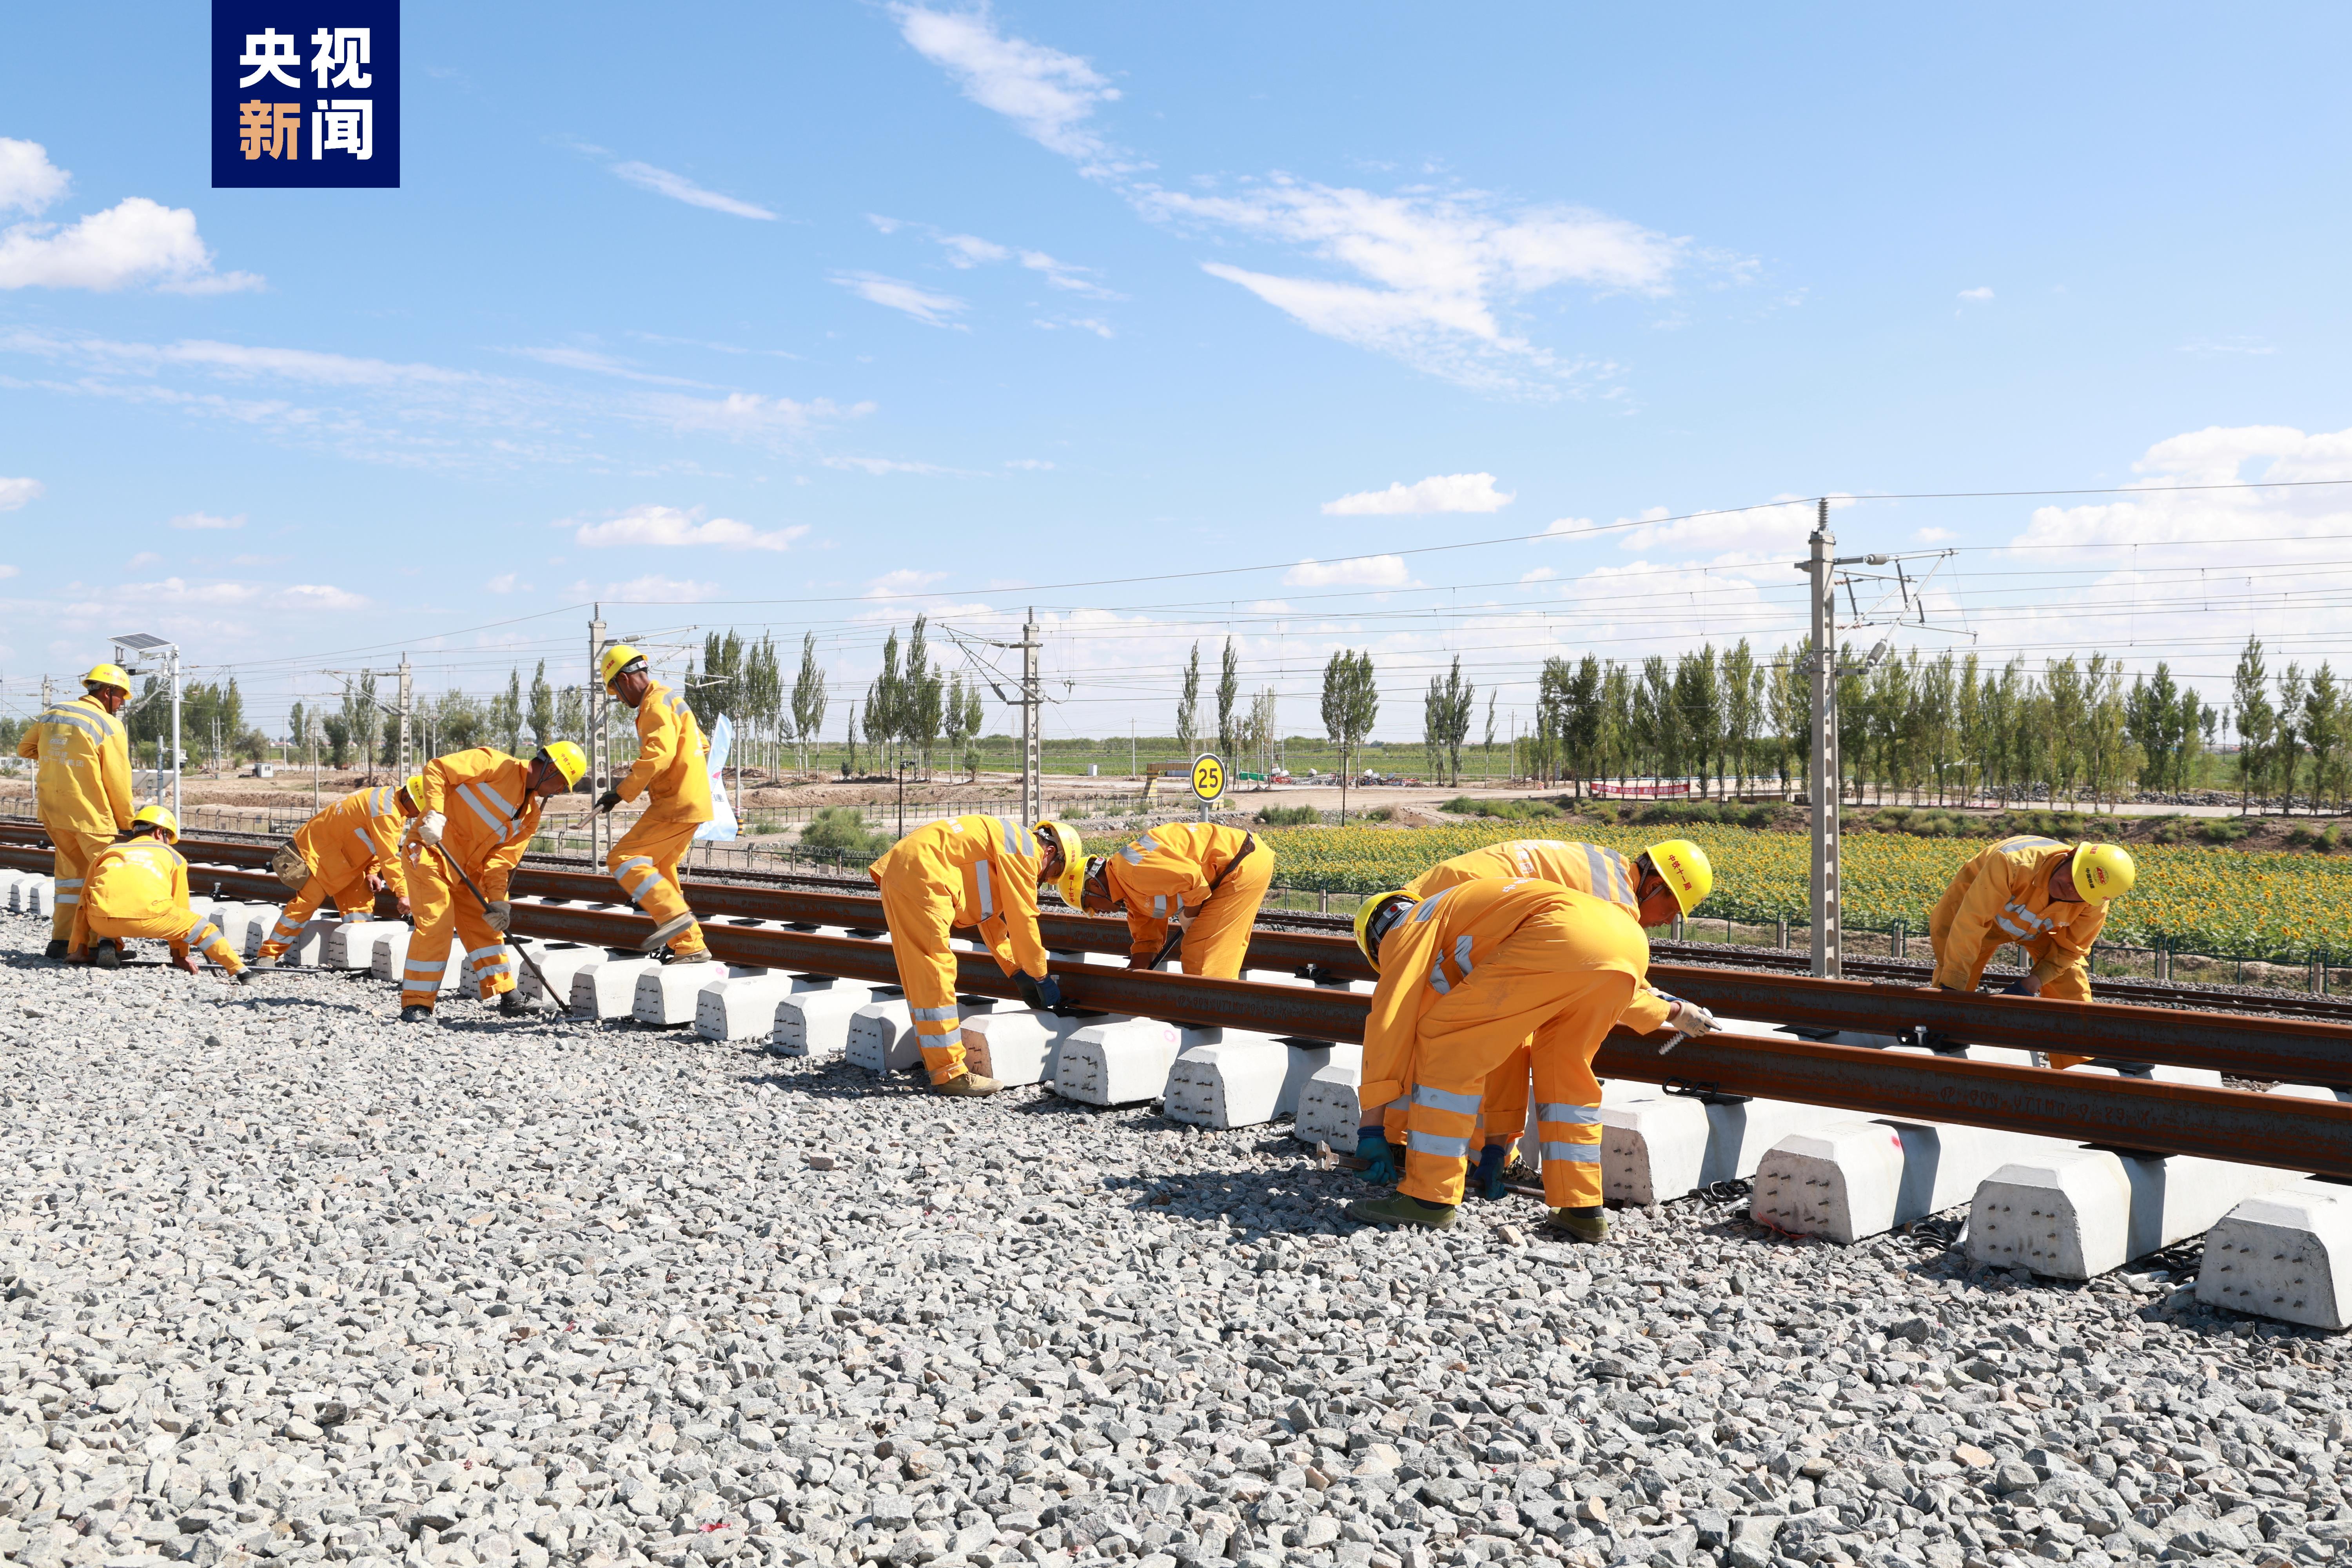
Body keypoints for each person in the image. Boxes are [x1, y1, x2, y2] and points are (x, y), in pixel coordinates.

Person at [1380, 838, 1720, 1198]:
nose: (1668, 921)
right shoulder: (1613, 902)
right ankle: (1423, 1167)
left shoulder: (1610, 874)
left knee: (1475, 1037)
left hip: (1451, 907)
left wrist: (1669, 1002)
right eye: (1671, 909)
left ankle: (1419, 1144)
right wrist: (1673, 1012)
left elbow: (1617, 973)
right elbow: (1612, 978)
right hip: (1446, 919)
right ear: (1653, 887)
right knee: (1463, 1042)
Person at [1341, 877, 1662, 1241]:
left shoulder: (1406, 927)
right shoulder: (1466, 925)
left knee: (1444, 1041)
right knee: (1565, 1066)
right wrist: (1496, 1146)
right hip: (1628, 943)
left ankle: (1428, 1199)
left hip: (1561, 934)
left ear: (1375, 944)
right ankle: (1582, 1207)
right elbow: (1508, 1047)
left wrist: (1371, 1128)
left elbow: (1389, 1027)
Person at [868, 816, 1084, 1097]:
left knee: (919, 973)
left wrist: (1016, 970)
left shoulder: (1002, 845)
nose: (1043, 881)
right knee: (936, 972)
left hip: (904, 868)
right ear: (1051, 852)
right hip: (925, 875)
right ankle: (950, 1074)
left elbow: (990, 918)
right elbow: (1023, 920)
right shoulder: (1026, 853)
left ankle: (936, 1060)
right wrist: (1041, 976)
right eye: (1052, 875)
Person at [399, 742, 584, 1024]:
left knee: (487, 929)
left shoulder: (530, 816)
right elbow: (437, 769)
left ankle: (508, 997)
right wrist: (435, 813)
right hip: (430, 854)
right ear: (551, 769)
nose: (560, 792)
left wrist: (498, 900)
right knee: (437, 926)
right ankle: (417, 1005)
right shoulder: (495, 765)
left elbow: (500, 862)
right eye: (562, 784)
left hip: (466, 871)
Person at [1923, 835, 2136, 1070]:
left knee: (2070, 978)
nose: (2068, 888)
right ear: (2072, 855)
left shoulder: (2093, 903)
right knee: (1956, 979)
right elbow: (1971, 924)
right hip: (1968, 914)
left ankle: (2079, 1067)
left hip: (2036, 928)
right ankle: (1941, 1046)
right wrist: (1953, 989)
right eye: (2073, 877)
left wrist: (2031, 985)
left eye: (2080, 892)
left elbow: (2069, 951)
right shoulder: (2013, 863)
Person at [593, 643, 713, 963]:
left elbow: (659, 754)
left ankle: (674, 917)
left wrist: (622, 791)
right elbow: (702, 744)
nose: (619, 699)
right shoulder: (672, 699)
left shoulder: (654, 706)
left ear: (624, 679)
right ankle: (689, 946)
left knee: (622, 858)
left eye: (615, 691)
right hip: (691, 799)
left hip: (676, 803)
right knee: (660, 868)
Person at [16, 663, 134, 959]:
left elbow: (25, 749)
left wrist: (61, 758)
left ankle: (62, 942)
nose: (121, 704)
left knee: (70, 880)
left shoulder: (54, 713)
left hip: (55, 814)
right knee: (105, 879)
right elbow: (117, 780)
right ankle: (103, 944)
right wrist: (128, 823)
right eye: (121, 697)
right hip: (92, 817)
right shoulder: (108, 725)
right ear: (108, 692)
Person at [1059, 821, 1274, 978]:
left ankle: (1209, 1016)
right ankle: (1217, 1006)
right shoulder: (1130, 895)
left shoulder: (1132, 871)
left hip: (1240, 864)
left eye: (1089, 905)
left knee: (1201, 953)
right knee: (1219, 950)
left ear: (1095, 885)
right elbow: (1147, 943)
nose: (1096, 912)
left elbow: (1191, 878)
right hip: (1239, 863)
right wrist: (1128, 982)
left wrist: (1190, 916)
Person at [253, 776, 420, 966]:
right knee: (306, 904)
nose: (420, 813)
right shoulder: (386, 812)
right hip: (318, 854)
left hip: (346, 861)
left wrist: (372, 871)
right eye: (420, 808)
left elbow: (375, 841)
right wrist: (403, 894)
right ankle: (268, 954)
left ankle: (358, 958)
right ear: (408, 797)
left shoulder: (391, 798)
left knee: (359, 906)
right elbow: (389, 856)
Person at [67, 806, 247, 981]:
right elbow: (180, 905)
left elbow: (84, 901)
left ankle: (108, 943)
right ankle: (241, 971)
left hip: (101, 923)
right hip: (150, 921)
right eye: (168, 836)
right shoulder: (172, 855)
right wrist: (179, 956)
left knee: (107, 903)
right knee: (203, 928)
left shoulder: (108, 851)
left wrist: (77, 950)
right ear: (160, 833)